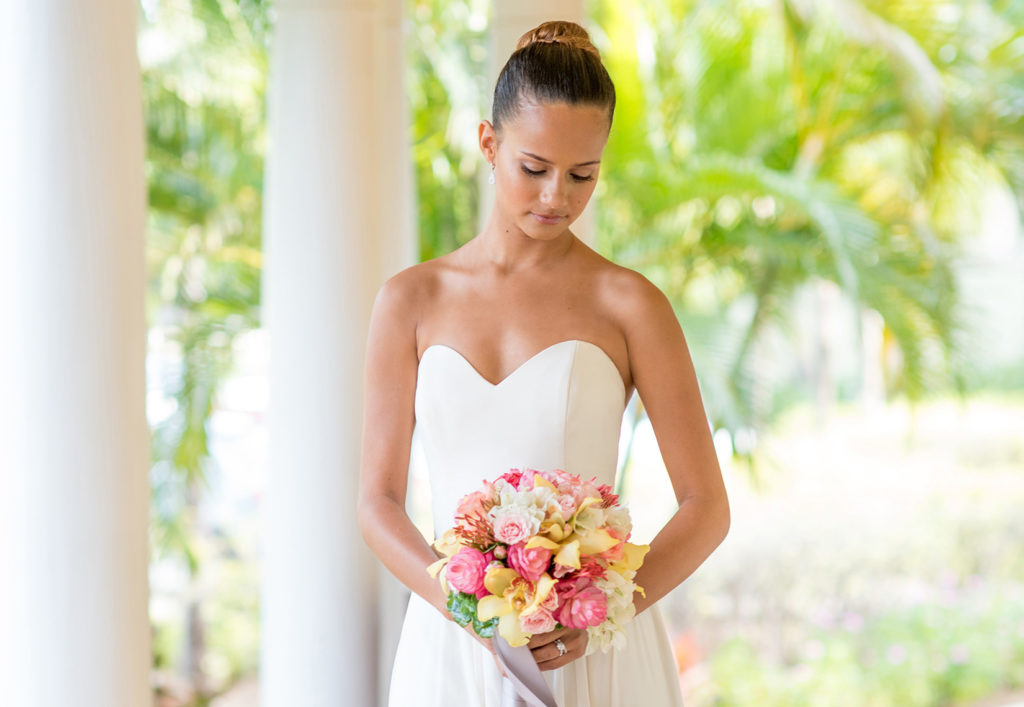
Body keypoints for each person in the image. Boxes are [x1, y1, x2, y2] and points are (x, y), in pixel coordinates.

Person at [358, 19, 730, 706]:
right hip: (451, 645)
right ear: (488, 143)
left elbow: (707, 507)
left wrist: (602, 609)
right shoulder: (410, 300)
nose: (558, 196)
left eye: (582, 174)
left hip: (592, 648)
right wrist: (464, 604)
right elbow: (377, 502)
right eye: (534, 168)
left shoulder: (631, 305)